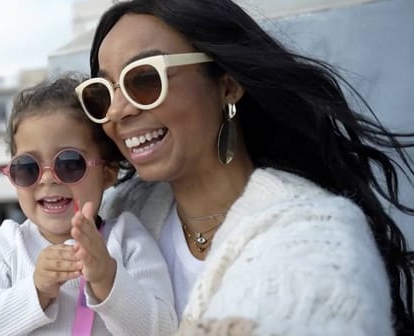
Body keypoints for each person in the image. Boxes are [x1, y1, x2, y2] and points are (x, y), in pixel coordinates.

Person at [74, 0, 414, 335]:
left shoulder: (318, 234)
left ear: (228, 85)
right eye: (102, 94)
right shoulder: (114, 216)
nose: (117, 111)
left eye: (145, 79)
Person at [0, 75, 177, 335]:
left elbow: (164, 328)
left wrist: (108, 279)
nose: (47, 178)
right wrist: (36, 290)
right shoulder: (4, 247)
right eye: (27, 167)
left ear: (108, 172)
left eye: (69, 163)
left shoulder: (127, 240)